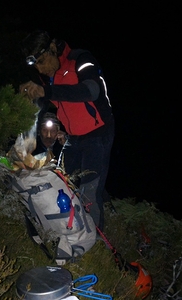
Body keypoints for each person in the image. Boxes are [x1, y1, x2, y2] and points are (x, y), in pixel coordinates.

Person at [19, 30, 115, 231]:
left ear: (53, 49)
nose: (41, 69)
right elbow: (47, 103)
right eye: (36, 65)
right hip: (74, 137)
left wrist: (47, 91)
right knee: (62, 181)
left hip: (97, 133)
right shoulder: (50, 75)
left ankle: (94, 239)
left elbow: (91, 90)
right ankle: (64, 226)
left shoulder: (80, 59)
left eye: (42, 61)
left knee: (89, 189)